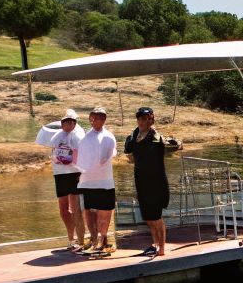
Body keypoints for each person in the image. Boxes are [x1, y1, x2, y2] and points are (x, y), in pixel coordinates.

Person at [123, 105, 181, 256]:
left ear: (152, 119)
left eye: (146, 118)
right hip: (141, 181)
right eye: (140, 118)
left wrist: (174, 143)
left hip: (156, 182)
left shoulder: (156, 136)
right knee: (148, 217)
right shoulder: (134, 135)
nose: (143, 121)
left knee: (156, 217)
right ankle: (154, 245)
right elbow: (128, 151)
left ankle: (161, 249)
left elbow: (171, 147)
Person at [34, 108, 84, 251]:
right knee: (63, 209)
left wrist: (81, 171)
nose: (68, 125)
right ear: (62, 124)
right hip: (60, 174)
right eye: (65, 122)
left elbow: (81, 154)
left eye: (71, 122)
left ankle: (81, 239)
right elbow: (54, 152)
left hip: (74, 173)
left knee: (76, 208)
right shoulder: (57, 136)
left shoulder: (78, 136)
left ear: (74, 124)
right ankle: (71, 238)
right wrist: (58, 158)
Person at [74, 104, 118, 257]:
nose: (93, 121)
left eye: (97, 118)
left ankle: (103, 241)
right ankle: (93, 240)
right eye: (91, 118)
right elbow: (81, 157)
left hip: (104, 182)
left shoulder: (109, 136)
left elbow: (110, 153)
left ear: (104, 120)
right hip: (87, 181)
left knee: (104, 212)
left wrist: (100, 161)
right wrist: (80, 172)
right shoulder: (86, 136)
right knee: (89, 212)